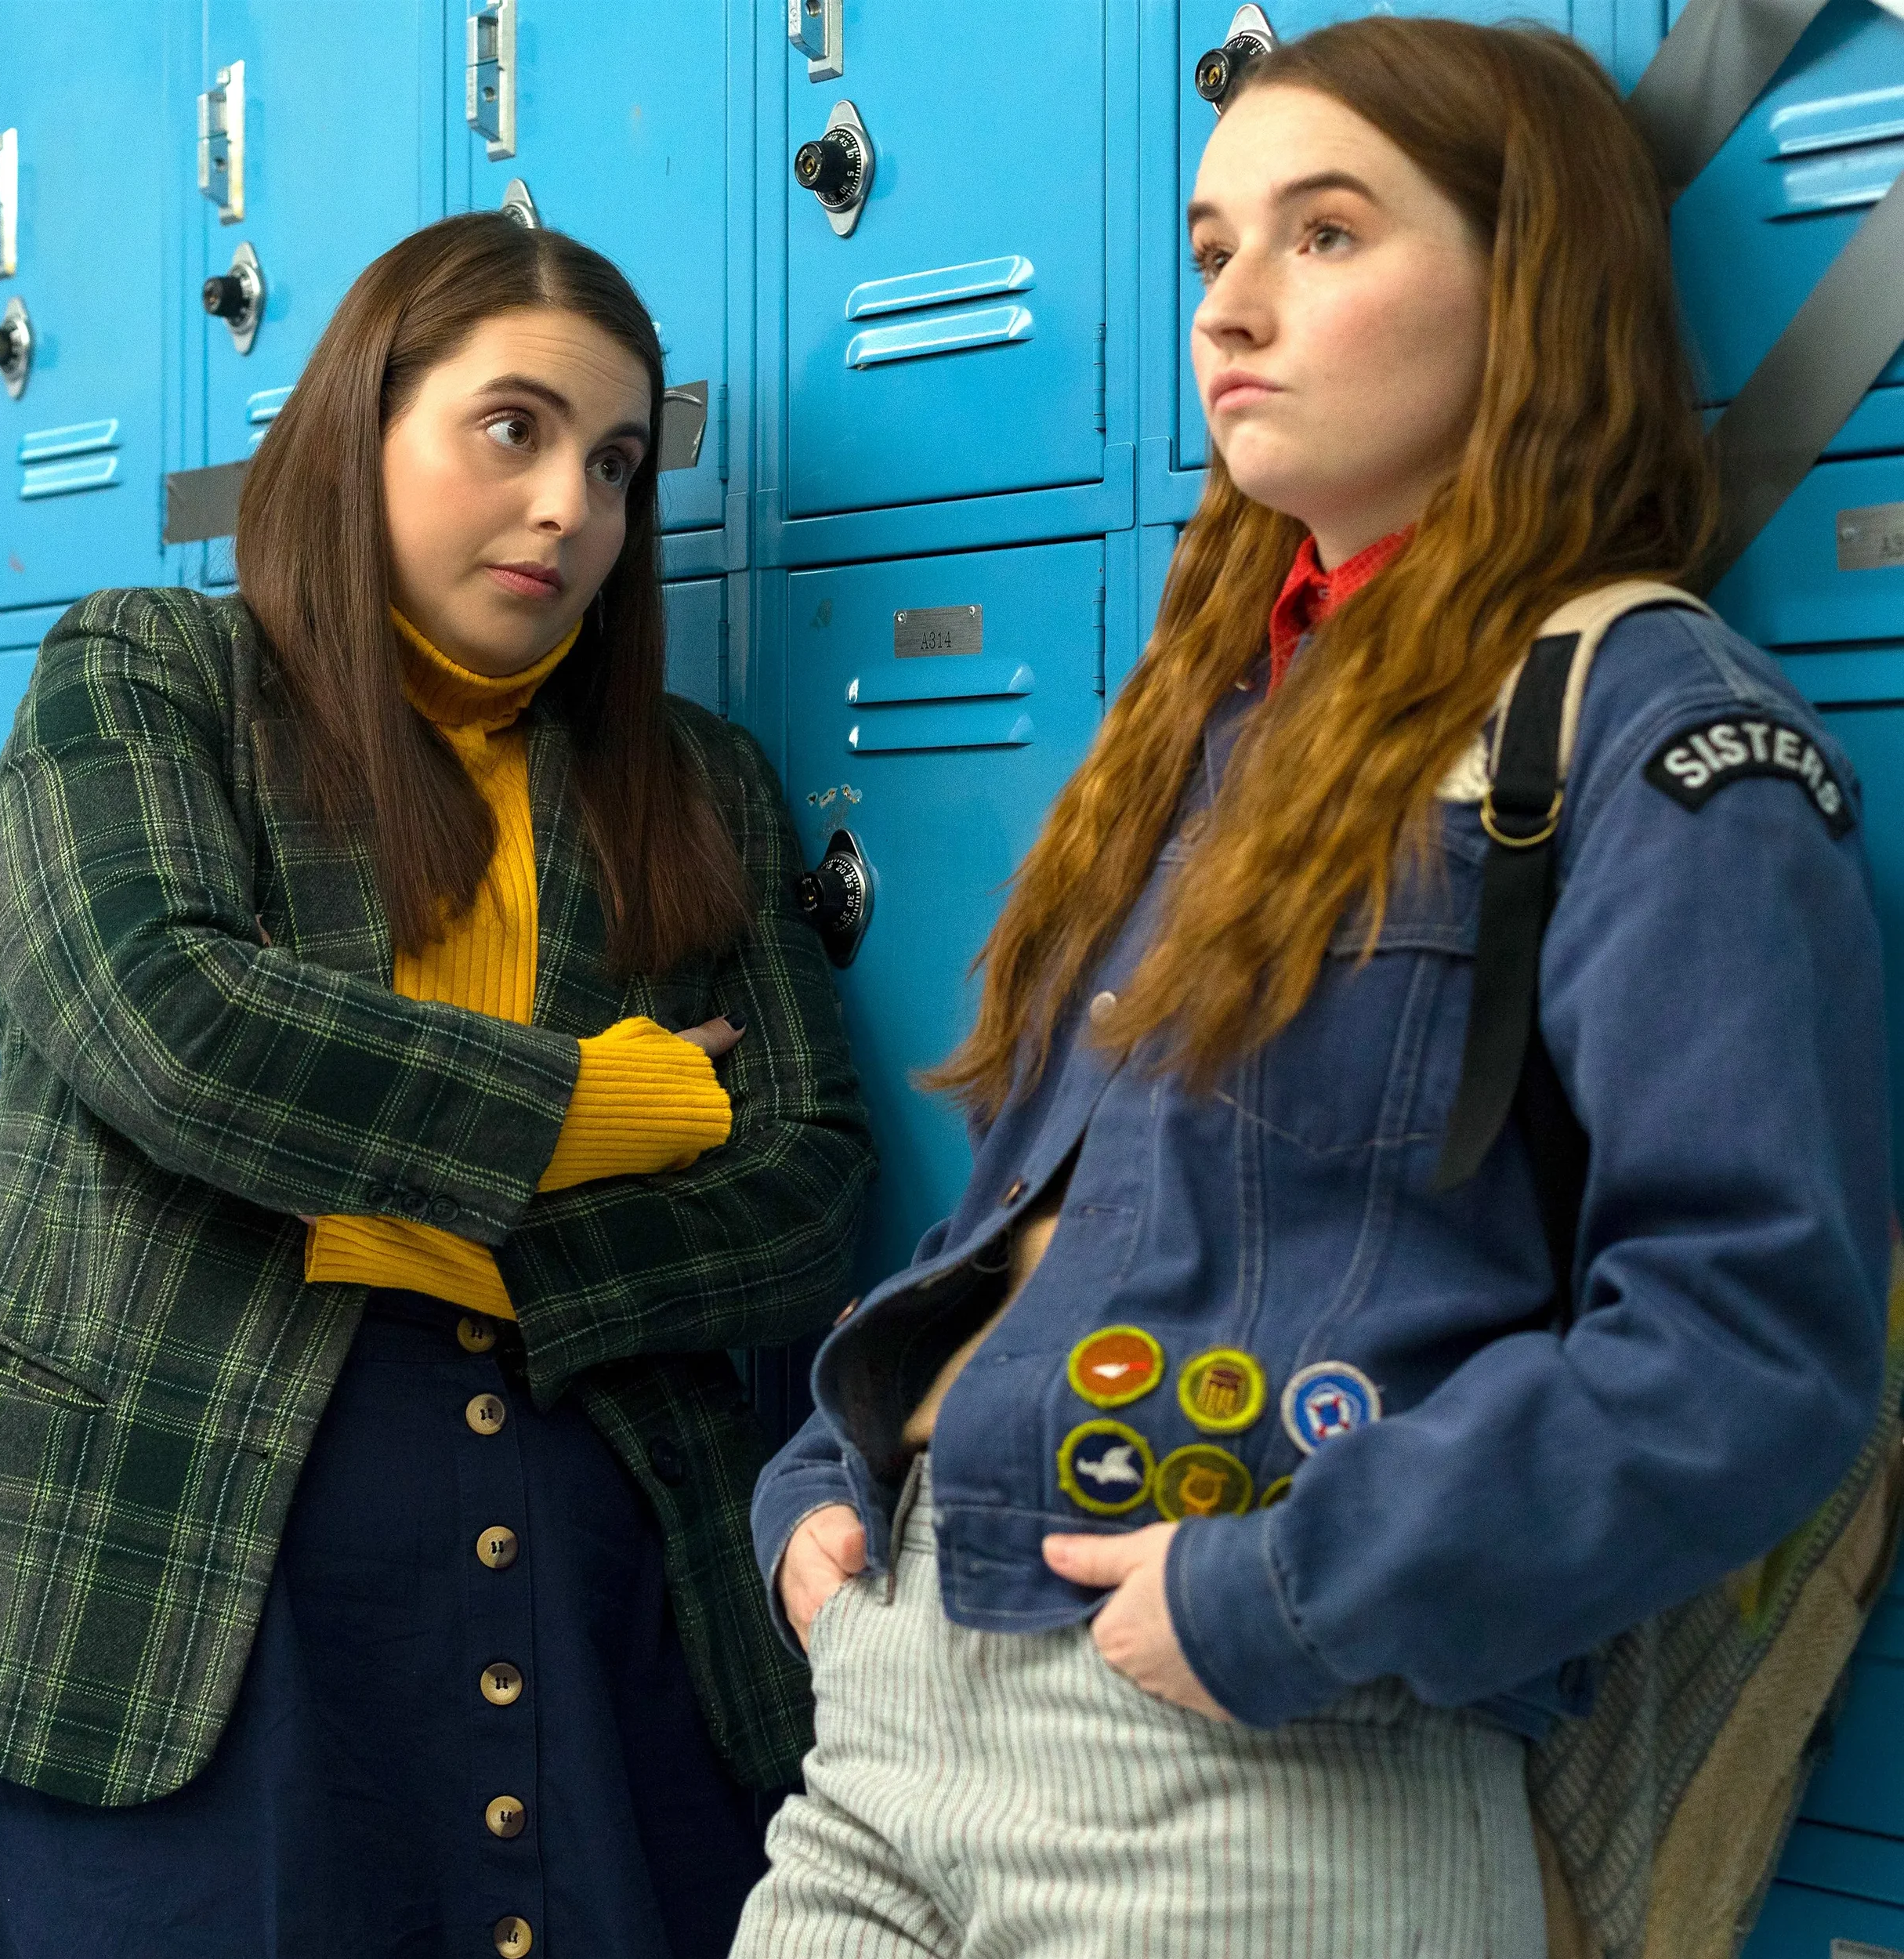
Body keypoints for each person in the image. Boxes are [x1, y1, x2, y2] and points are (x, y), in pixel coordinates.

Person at [737, 20, 1891, 1957]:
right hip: (893, 1703)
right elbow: (1050, 1212)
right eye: (1208, 251)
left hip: (1251, 1761)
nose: (1230, 308)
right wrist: (818, 1480)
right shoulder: (1211, 722)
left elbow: (1746, 1337)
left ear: (1524, 293)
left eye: (1327, 235)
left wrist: (1281, 1590)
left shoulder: (1636, 720)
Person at [0, 213, 873, 1958]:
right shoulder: (149, 672)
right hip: (165, 1568)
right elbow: (169, 1023)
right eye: (510, 429)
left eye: (611, 465)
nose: (567, 512)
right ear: (357, 423)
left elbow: (810, 1184)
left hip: (601, 1557)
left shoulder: (692, 781)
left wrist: (471, 1251)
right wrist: (612, 1108)